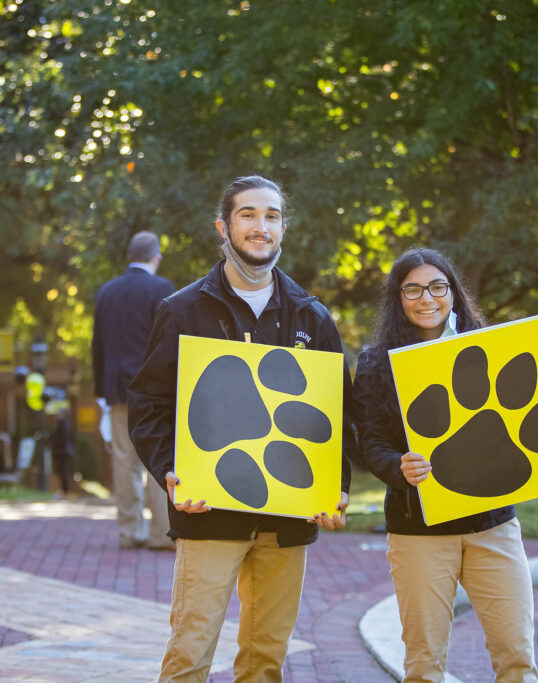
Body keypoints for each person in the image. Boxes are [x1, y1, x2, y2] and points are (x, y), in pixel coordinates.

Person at [130, 175, 354, 682]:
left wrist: (335, 485)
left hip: (289, 516)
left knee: (265, 660)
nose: (261, 226)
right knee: (190, 652)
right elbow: (147, 404)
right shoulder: (183, 311)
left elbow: (337, 410)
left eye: (271, 216)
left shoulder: (312, 317)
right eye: (248, 214)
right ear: (224, 227)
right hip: (208, 510)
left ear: (283, 229)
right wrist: (171, 471)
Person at [352, 248, 538, 683]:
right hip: (418, 529)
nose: (427, 298)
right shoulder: (375, 363)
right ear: (397, 297)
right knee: (424, 666)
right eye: (413, 289)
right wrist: (398, 465)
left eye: (437, 287)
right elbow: (370, 444)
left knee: (517, 658)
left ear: (453, 294)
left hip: (492, 526)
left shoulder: (491, 348)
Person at [93, 231, 175, 549]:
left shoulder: (107, 292)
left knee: (124, 461)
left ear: (129, 256)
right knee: (159, 457)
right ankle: (162, 533)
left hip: (117, 389)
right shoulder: (162, 289)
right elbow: (168, 343)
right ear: (155, 257)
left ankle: (130, 531)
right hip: (154, 390)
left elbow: (97, 344)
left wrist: (101, 389)